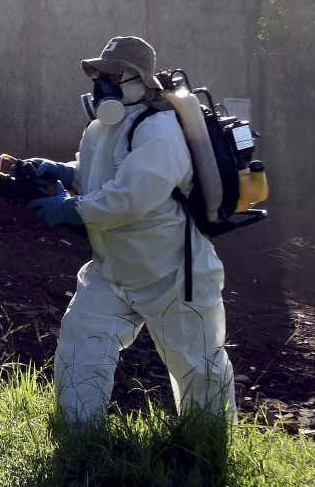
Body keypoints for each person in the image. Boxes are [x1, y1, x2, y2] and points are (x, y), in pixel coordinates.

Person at [25, 35, 236, 428]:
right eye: (99, 75)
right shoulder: (101, 128)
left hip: (173, 274)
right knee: (82, 340)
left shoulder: (161, 130)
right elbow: (99, 176)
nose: (101, 84)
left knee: (199, 367)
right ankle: (78, 435)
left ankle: (207, 446)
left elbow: (130, 197)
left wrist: (71, 210)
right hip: (114, 270)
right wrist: (62, 172)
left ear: (141, 80)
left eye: (113, 75)